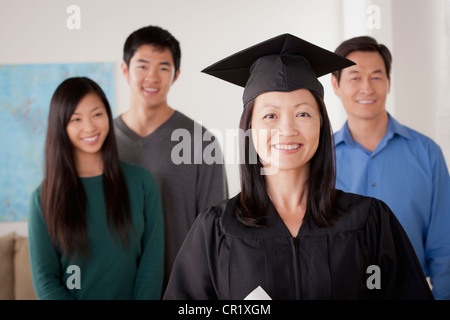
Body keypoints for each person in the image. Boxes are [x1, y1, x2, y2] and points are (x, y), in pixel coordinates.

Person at [163, 34, 434, 300]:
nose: (287, 129)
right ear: (250, 129)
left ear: (321, 124)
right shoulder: (217, 229)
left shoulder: (370, 220)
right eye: (270, 115)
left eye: (303, 114)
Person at [330, 36, 450, 300]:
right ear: (336, 84)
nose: (366, 88)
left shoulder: (427, 154)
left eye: (376, 77)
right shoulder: (320, 160)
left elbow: (445, 245)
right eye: (355, 77)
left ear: (389, 83)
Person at [28, 77, 164, 299]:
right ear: (61, 127)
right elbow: (45, 279)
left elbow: (152, 263)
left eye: (97, 114)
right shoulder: (42, 198)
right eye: (76, 119)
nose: (90, 127)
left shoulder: (142, 182)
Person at [114, 25, 229, 289]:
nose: (152, 76)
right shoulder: (103, 142)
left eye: (163, 68)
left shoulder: (201, 142)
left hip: (182, 286)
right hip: (116, 286)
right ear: (125, 70)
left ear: (176, 75)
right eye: (142, 66)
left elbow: (215, 229)